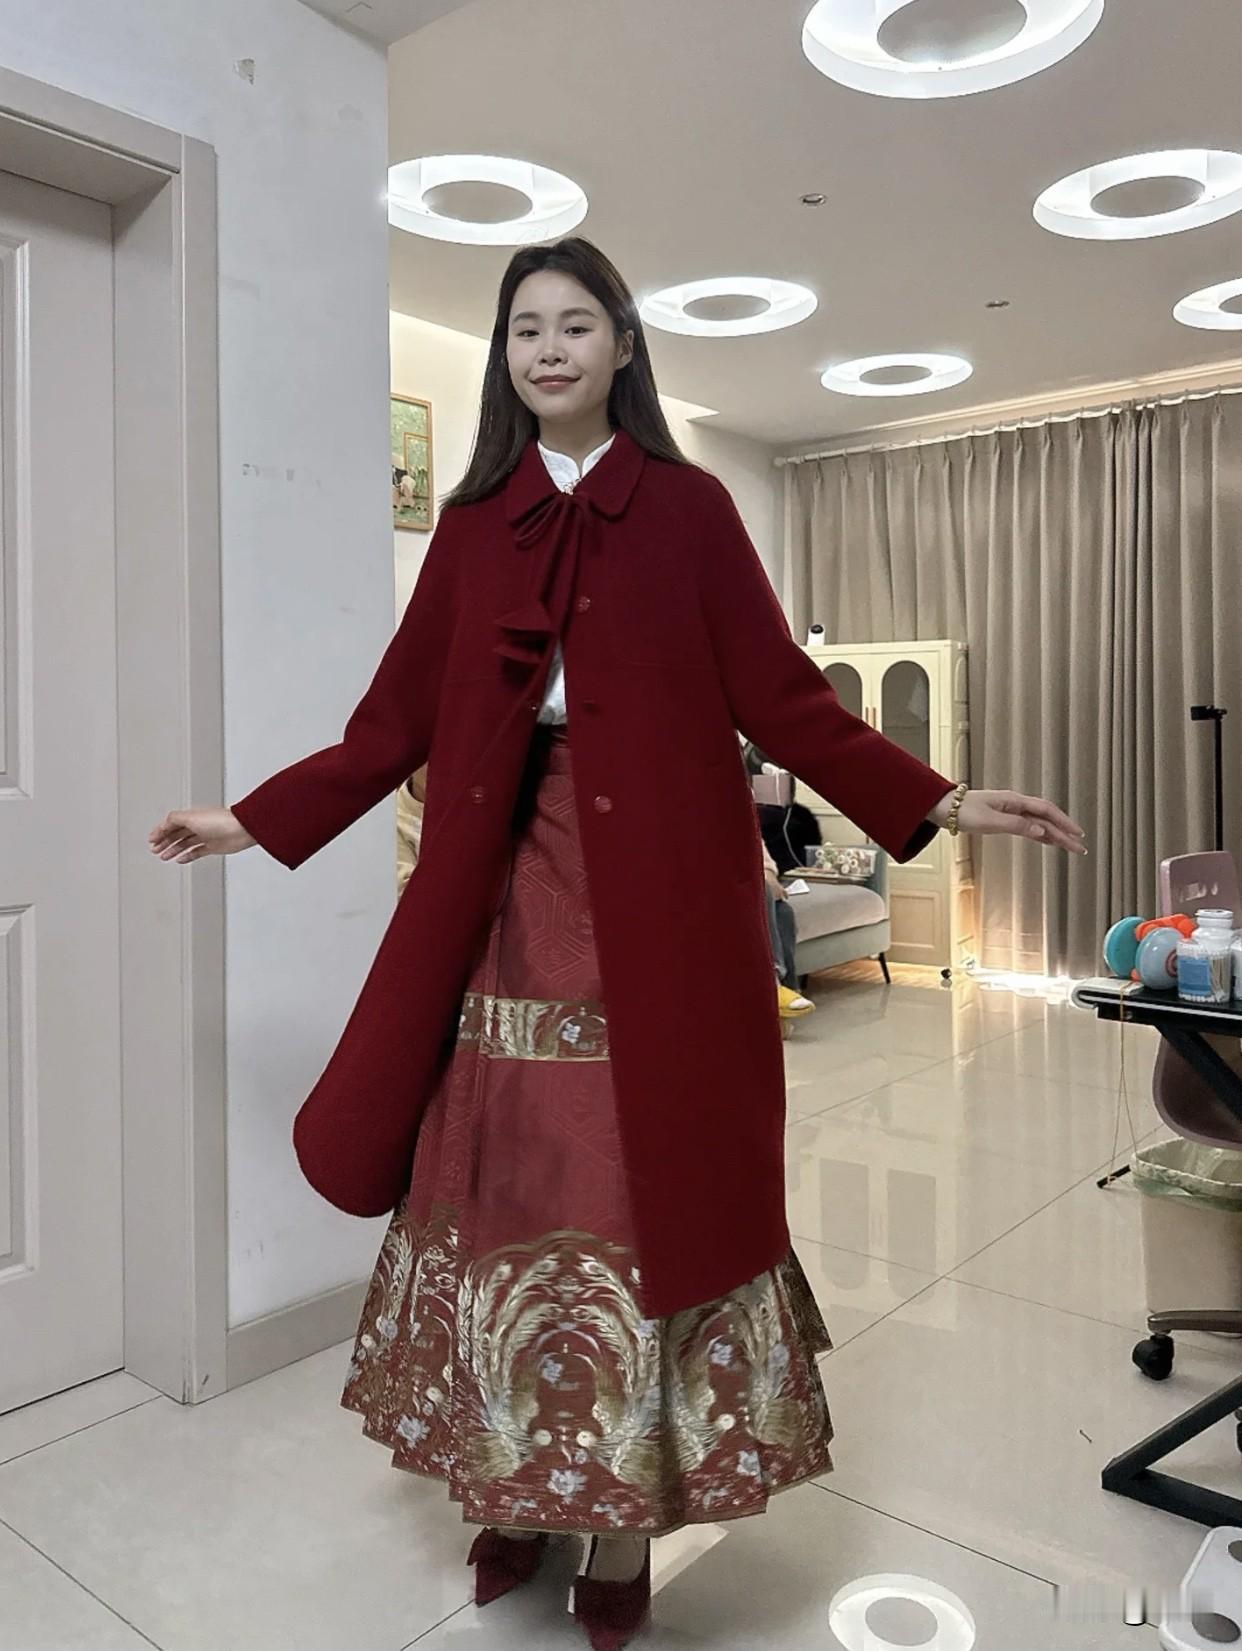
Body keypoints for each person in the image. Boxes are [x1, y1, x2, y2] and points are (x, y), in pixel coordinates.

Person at [148, 236, 1086, 1649]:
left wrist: (938, 798)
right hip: (498, 889)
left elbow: (783, 697)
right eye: (524, 327)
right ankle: (514, 1485)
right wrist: (252, 818)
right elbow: (393, 717)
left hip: (662, 896)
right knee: (502, 1182)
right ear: (505, 357)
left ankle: (622, 1521)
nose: (547, 347)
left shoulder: (692, 508)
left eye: (575, 323)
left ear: (623, 347)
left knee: (636, 1188)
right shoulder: (476, 521)